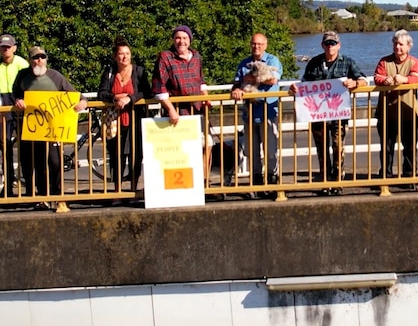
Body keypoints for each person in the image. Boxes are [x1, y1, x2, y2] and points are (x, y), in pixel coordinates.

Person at [12, 45, 87, 212]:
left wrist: (83, 101)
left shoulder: (55, 76)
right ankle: (41, 197)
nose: (39, 60)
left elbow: (74, 94)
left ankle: (58, 196)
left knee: (54, 162)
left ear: (46, 59)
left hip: (53, 130)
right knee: (36, 163)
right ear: (30, 60)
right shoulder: (23, 76)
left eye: (42, 57)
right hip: (33, 129)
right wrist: (18, 100)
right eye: (35, 57)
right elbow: (15, 94)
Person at [291, 31, 366, 196]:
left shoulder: (347, 62)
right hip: (318, 116)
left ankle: (337, 181)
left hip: (339, 115)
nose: (330, 46)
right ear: (322, 45)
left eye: (333, 43)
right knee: (321, 149)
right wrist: (295, 88)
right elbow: (305, 83)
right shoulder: (314, 63)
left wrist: (354, 83)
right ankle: (325, 180)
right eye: (327, 43)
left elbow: (363, 80)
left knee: (338, 147)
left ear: (339, 45)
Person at [151, 25, 219, 200]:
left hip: (198, 110)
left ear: (190, 40)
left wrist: (206, 97)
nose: (181, 41)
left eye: (184, 38)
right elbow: (159, 86)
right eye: (178, 38)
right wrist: (171, 110)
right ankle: (184, 190)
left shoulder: (196, 56)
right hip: (178, 112)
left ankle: (205, 185)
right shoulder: (165, 58)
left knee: (207, 146)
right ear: (173, 40)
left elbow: (201, 81)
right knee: (184, 152)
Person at [230, 33, 283, 198]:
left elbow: (272, 80)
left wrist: (251, 76)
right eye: (254, 44)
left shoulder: (273, 61)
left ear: (265, 45)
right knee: (251, 151)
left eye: (260, 44)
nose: (256, 47)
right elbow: (237, 83)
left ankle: (273, 184)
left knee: (271, 151)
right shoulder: (244, 63)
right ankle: (257, 184)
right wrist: (237, 89)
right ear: (250, 45)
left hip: (268, 111)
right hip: (250, 112)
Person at [96, 36, 152, 195]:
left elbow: (146, 92)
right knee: (116, 157)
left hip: (135, 119)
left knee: (136, 155)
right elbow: (101, 92)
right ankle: (117, 191)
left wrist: (130, 99)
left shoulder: (139, 71)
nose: (124, 57)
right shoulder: (109, 72)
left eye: (127, 53)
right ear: (115, 56)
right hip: (115, 121)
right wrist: (114, 98)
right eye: (121, 54)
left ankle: (134, 189)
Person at [374, 29, 418, 184]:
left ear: (409, 46)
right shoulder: (384, 61)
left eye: (401, 44)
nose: (397, 47)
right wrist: (384, 81)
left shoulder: (414, 62)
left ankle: (409, 177)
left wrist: (404, 79)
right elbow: (377, 77)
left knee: (409, 147)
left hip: (408, 112)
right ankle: (386, 176)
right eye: (395, 44)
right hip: (387, 113)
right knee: (386, 148)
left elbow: (416, 79)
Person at [0, 34, 29, 196]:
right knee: (5, 149)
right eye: (3, 47)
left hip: (19, 104)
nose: (6, 49)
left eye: (8, 46)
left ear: (14, 48)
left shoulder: (22, 63)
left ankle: (31, 186)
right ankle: (8, 186)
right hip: (2, 106)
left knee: (26, 148)